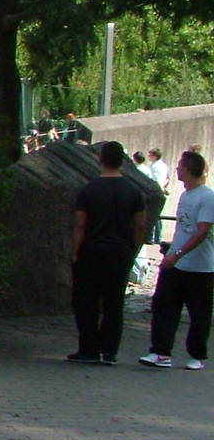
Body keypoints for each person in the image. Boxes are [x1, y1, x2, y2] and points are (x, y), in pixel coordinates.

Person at [68, 142, 145, 365]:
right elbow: (140, 225)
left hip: (92, 250)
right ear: (122, 161)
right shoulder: (134, 191)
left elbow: (80, 224)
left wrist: (75, 251)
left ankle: (88, 348)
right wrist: (133, 249)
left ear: (100, 159)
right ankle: (109, 350)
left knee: (87, 302)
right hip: (120, 251)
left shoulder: (88, 190)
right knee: (114, 303)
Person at [140, 151, 214, 370]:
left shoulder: (207, 197)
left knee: (199, 313)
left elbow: (202, 231)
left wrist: (177, 253)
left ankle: (196, 355)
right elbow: (184, 228)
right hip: (175, 263)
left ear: (188, 170)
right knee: (164, 306)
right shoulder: (185, 195)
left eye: (180, 166)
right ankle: (161, 352)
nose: (177, 169)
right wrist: (171, 249)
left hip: (200, 267)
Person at [145, 148, 172, 246]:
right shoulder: (163, 165)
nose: (148, 157)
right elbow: (167, 178)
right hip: (160, 190)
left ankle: (151, 237)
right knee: (158, 215)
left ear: (155, 156)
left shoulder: (154, 166)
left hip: (154, 191)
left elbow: (155, 179)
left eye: (150, 155)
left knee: (152, 213)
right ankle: (158, 237)